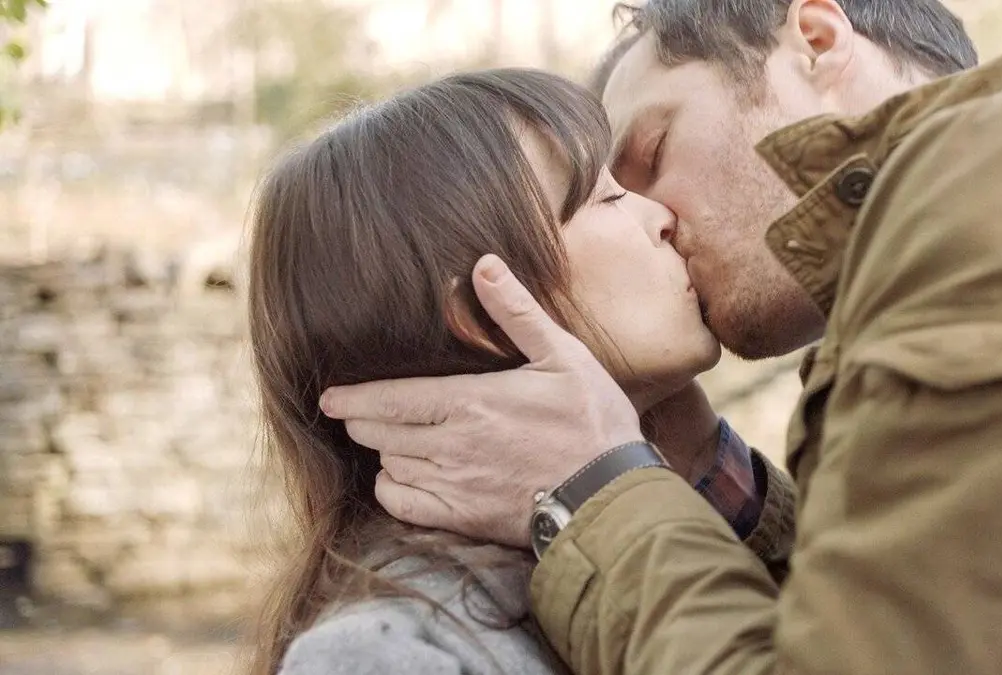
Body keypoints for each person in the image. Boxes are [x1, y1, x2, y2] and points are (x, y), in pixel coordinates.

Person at [321, 0, 1002, 674]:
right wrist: (705, 472)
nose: (656, 220)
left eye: (653, 151)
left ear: (816, 37)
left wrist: (592, 492)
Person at [243, 68, 797, 675]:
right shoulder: (394, 653)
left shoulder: (683, 511)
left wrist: (688, 469)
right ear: (485, 315)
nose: (661, 214)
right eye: (606, 197)